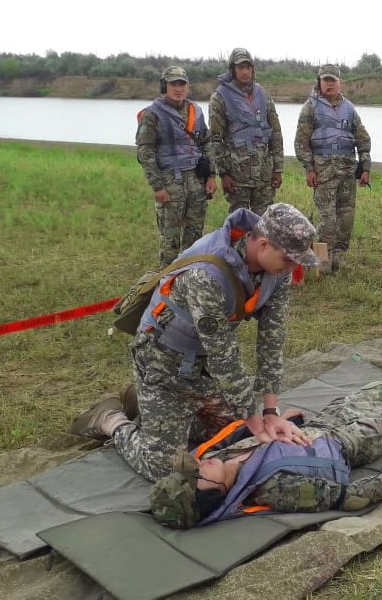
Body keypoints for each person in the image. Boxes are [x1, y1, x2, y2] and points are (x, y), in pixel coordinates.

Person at [69, 203, 322, 482]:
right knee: (165, 469)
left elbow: (272, 339)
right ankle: (111, 419)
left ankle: (147, 406)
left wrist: (270, 412)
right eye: (289, 259)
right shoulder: (207, 276)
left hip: (202, 369)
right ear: (263, 244)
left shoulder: (276, 271)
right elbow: (223, 357)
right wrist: (256, 423)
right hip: (161, 364)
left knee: (232, 435)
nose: (292, 268)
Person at [147, 336, 382, 529]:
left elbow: (255, 438)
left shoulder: (221, 457)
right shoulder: (277, 490)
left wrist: (290, 421)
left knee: (379, 391)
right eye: (197, 476)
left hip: (323, 425)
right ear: (213, 496)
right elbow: (353, 496)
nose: (200, 464)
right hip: (350, 443)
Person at [136, 66, 217, 267]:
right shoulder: (152, 114)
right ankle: (165, 284)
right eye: (173, 84)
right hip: (170, 182)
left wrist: (211, 176)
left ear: (187, 87)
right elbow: (145, 152)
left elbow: (206, 142)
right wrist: (157, 186)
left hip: (196, 181)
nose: (178, 88)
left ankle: (189, 276)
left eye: (182, 84)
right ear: (164, 86)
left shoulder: (195, 111)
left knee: (195, 234)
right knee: (170, 238)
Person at [294, 64, 373, 273]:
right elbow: (301, 142)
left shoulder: (349, 108)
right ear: (319, 82)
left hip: (347, 170)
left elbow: (362, 138)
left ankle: (339, 256)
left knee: (346, 217)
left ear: (340, 82)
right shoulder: (310, 107)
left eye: (333, 80)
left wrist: (365, 166)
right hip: (323, 172)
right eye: (325, 80)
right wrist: (309, 169)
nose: (329, 84)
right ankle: (321, 261)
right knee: (327, 219)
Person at [209, 48, 285, 217]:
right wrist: (223, 173)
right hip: (237, 175)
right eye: (240, 67)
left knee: (264, 221)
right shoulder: (219, 97)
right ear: (232, 70)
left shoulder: (263, 94)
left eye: (248, 67)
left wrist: (278, 169)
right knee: (239, 221)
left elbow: (276, 133)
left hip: (264, 173)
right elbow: (215, 139)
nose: (244, 71)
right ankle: (237, 245)